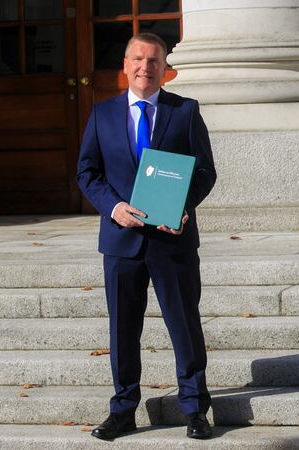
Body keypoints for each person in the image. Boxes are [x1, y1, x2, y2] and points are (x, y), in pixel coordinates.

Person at [77, 32, 217, 440]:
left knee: (185, 324)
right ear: (125, 65)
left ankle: (194, 408)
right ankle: (122, 410)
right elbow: (88, 172)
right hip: (121, 241)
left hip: (172, 241)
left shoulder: (184, 112)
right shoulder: (103, 114)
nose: (145, 67)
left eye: (153, 60)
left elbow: (204, 172)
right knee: (123, 330)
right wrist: (114, 207)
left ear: (164, 68)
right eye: (137, 59)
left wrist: (184, 207)